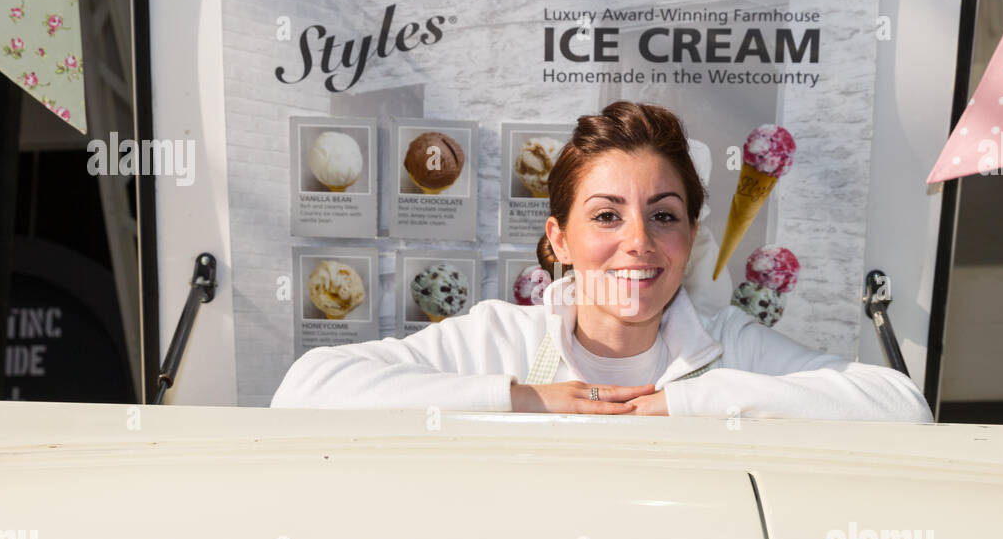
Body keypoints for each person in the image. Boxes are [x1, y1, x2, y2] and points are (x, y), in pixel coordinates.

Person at [271, 100, 932, 422]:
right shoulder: (502, 339)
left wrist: (688, 404)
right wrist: (528, 399)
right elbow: (304, 393)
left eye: (664, 215)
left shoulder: (728, 349)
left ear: (692, 237)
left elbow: (902, 408)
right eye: (607, 215)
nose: (639, 241)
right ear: (559, 239)